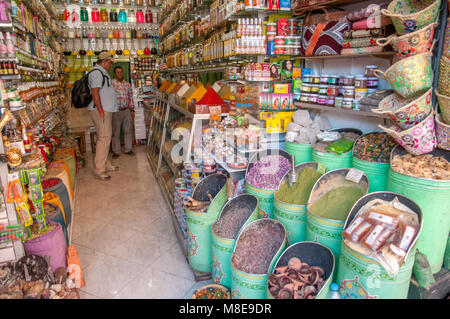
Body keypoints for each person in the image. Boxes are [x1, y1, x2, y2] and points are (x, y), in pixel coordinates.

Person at [87, 52, 118, 181]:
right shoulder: (96, 73)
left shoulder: (101, 72)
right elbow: (94, 92)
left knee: (104, 137)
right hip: (101, 111)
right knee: (104, 138)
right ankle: (100, 170)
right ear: (104, 61)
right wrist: (100, 109)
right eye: (110, 63)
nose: (111, 65)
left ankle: (106, 164)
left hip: (104, 110)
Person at [111, 66, 135, 158]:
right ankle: (116, 151)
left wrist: (132, 109)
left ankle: (128, 149)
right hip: (116, 111)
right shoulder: (111, 84)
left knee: (128, 130)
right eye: (117, 72)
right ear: (114, 74)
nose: (119, 74)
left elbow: (131, 97)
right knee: (115, 132)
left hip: (126, 111)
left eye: (121, 72)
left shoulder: (127, 84)